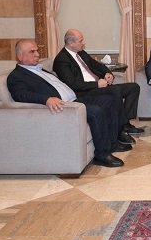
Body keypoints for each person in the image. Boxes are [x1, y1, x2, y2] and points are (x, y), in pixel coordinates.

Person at [7, 39, 130, 168]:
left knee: (109, 100)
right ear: (19, 56)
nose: (37, 54)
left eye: (37, 51)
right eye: (32, 52)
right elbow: (21, 95)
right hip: (66, 106)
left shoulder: (39, 69)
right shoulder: (16, 76)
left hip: (75, 99)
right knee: (96, 111)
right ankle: (102, 154)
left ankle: (112, 143)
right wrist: (46, 99)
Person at [53, 29, 143, 145]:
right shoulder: (61, 60)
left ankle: (125, 123)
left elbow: (96, 65)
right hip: (85, 92)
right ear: (71, 43)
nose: (83, 43)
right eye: (80, 41)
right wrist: (97, 84)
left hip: (99, 86)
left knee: (133, 87)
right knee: (115, 90)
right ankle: (119, 130)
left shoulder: (80, 52)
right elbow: (73, 84)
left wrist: (107, 73)